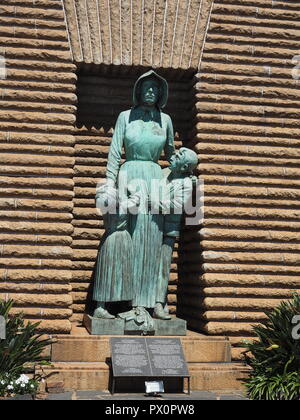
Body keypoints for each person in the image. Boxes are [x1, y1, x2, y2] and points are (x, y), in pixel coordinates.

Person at [103, 70, 175, 324]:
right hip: (129, 175)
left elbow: (172, 156)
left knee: (151, 240)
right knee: (126, 238)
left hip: (155, 178)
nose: (150, 92)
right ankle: (122, 301)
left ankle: (149, 302)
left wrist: (182, 178)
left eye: (155, 88)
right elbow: (114, 154)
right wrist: (110, 185)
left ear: (161, 94)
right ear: (137, 90)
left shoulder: (165, 120)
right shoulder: (125, 117)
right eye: (146, 87)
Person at [149, 147, 198, 320]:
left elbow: (175, 205)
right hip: (151, 226)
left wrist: (152, 201)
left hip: (168, 230)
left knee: (163, 268)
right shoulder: (162, 172)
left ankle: (158, 303)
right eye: (176, 153)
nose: (173, 155)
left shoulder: (186, 184)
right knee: (148, 264)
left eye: (178, 156)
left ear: (184, 167)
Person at [93, 183, 141, 319]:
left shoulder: (123, 195)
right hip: (112, 237)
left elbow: (134, 204)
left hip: (124, 237)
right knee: (106, 273)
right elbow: (104, 203)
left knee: (124, 273)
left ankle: (124, 305)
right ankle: (100, 307)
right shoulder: (105, 193)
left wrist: (129, 192)